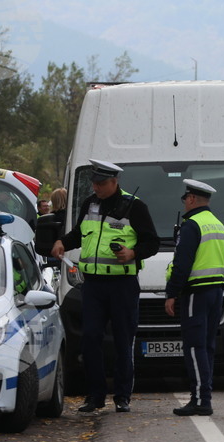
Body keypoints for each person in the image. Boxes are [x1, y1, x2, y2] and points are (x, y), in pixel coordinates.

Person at [51, 159, 160, 413]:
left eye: (101, 183)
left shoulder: (134, 206)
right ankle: (95, 396)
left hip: (122, 285)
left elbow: (152, 242)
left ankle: (122, 396)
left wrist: (133, 253)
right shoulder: (90, 204)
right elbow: (79, 234)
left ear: (114, 182)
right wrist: (62, 242)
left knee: (123, 340)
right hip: (93, 285)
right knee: (90, 339)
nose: (96, 187)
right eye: (94, 183)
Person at [165, 179, 224, 416]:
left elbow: (182, 265)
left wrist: (171, 293)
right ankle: (204, 397)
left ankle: (201, 400)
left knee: (194, 347)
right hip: (216, 291)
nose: (184, 203)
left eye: (185, 199)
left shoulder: (192, 225)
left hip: (196, 292)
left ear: (191, 199)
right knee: (207, 347)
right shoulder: (218, 224)